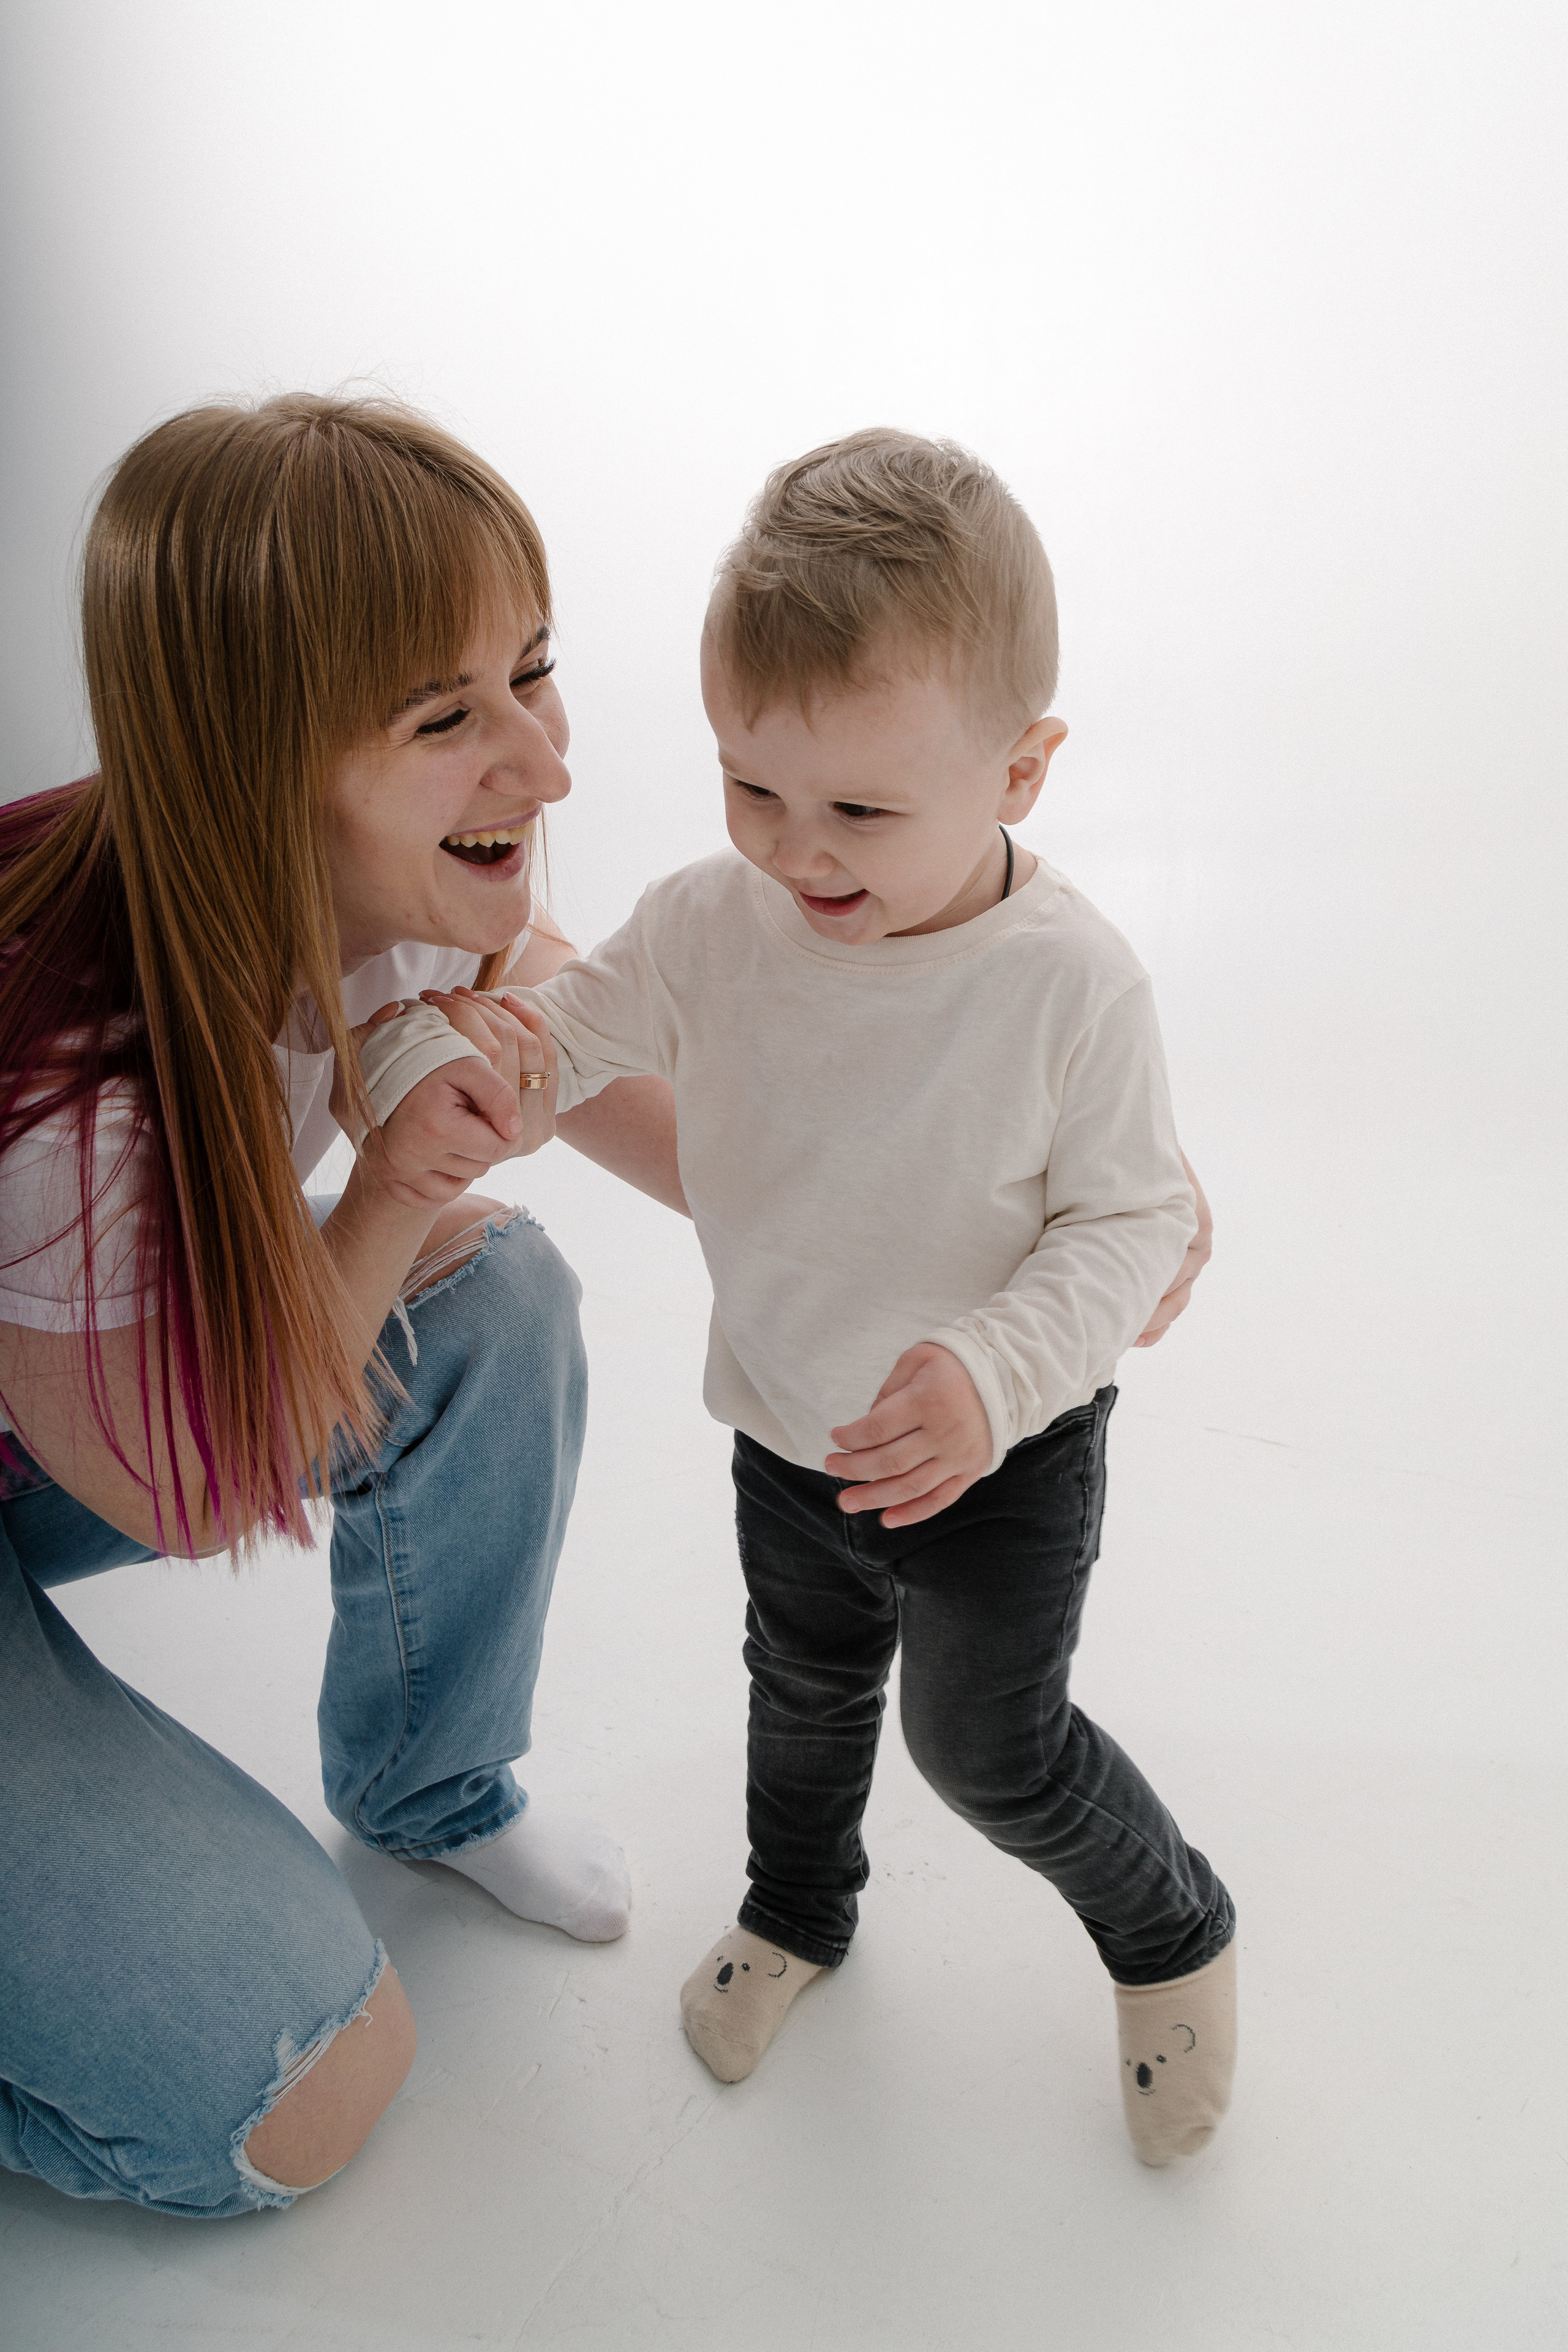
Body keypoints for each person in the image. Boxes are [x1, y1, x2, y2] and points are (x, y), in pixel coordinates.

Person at [391, 429, 1234, 2165]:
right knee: (803, 1688)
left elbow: (1134, 1225)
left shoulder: (1070, 985)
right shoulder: (718, 918)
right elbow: (582, 1028)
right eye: (748, 786)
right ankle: (798, 1911)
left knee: (986, 1747)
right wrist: (484, 1055)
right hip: (787, 1424)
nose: (795, 850)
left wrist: (994, 1377)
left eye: (858, 809)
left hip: (997, 1462)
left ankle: (1171, 1932)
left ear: (1022, 771)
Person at [0, 394, 686, 2219]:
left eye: (531, 676)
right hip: (129, 1438)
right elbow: (189, 1493)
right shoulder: (79, 1068)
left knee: (496, 1291)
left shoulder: (395, 884)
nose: (541, 766)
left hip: (56, 1418)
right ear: (255, 760)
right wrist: (384, 1188)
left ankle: (429, 1784)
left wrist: (1036, 1220)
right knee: (276, 2099)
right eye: (446, 719)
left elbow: (667, 1107)